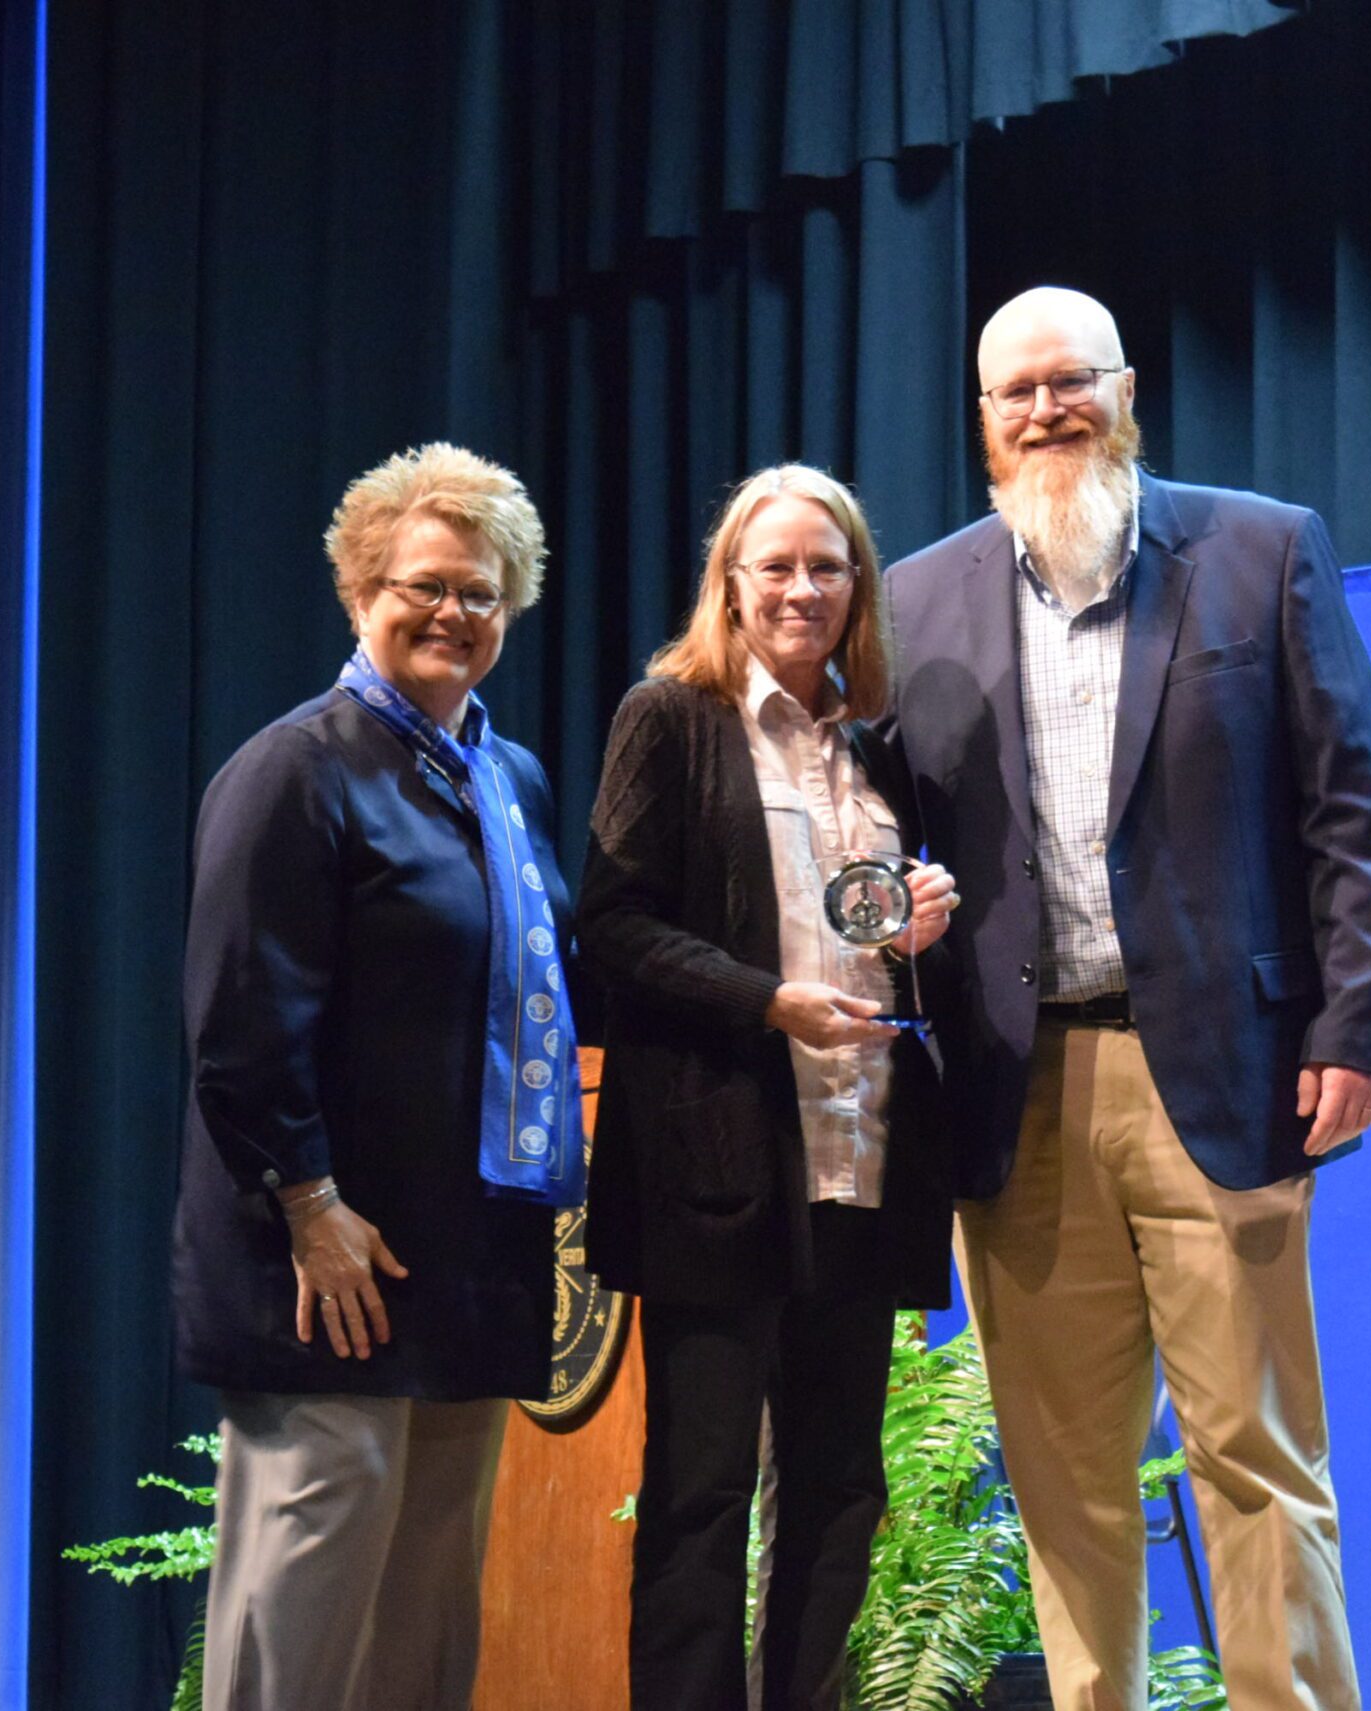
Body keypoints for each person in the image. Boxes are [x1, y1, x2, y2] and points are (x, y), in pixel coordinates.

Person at [883, 288, 1371, 1711]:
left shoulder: (1260, 550)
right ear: (983, 427)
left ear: (1128, 389)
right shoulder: (915, 600)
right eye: (1017, 393)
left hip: (1225, 1082)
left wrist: (1355, 1031)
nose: (1047, 409)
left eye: (1073, 381)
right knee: (1063, 1484)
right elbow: (866, 839)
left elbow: (1351, 813)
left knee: (1259, 1461)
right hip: (1018, 1096)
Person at [170, 443, 584, 1711]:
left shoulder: (504, 780)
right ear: (361, 590)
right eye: (423, 585)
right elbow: (240, 1024)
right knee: (298, 1625)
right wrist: (308, 1205)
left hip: (467, 1264)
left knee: (422, 1627)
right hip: (327, 1269)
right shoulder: (296, 769)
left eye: (479, 592)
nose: (451, 613)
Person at [578, 465, 961, 1711]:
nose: (803, 589)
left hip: (861, 1162)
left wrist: (918, 934)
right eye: (777, 567)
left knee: (843, 1485)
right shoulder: (672, 718)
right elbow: (614, 926)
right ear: (729, 587)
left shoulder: (883, 751)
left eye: (828, 567)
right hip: (720, 1171)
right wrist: (765, 999)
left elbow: (884, 946)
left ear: (860, 591)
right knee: (699, 1493)